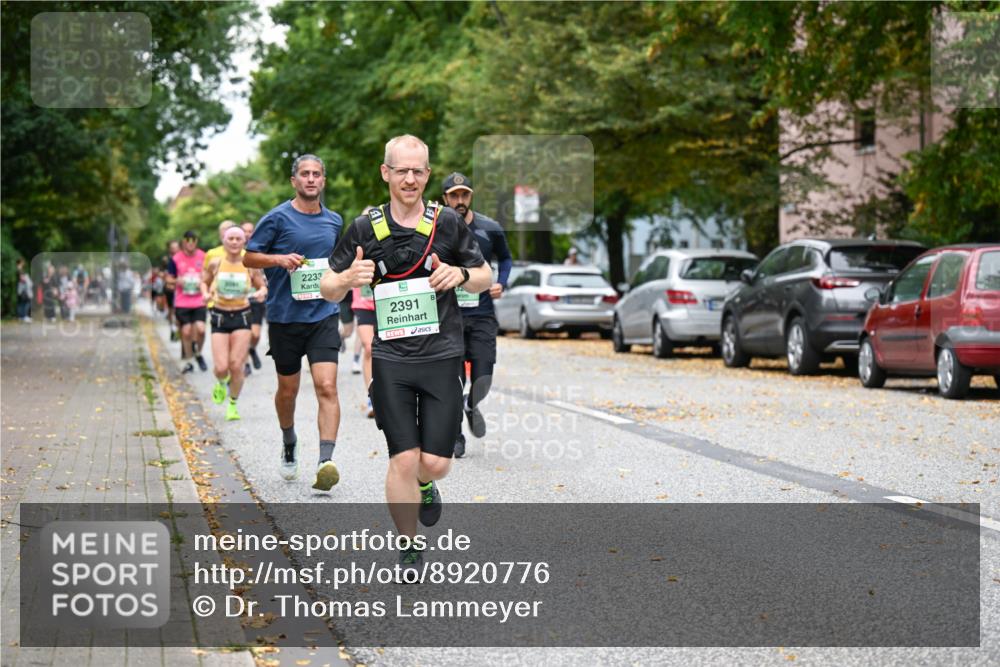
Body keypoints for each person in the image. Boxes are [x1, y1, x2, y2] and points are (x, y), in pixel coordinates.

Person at [321, 135, 491, 575]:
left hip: (442, 354)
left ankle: (425, 484)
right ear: (386, 173)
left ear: (428, 175)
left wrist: (461, 272)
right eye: (402, 171)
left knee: (434, 463)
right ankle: (409, 546)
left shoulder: (448, 224)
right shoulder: (364, 229)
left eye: (418, 171)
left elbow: (484, 274)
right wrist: (347, 280)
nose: (410, 179)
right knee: (402, 456)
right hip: (392, 360)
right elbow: (326, 284)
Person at [244, 154, 345, 491]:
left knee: (327, 386)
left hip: (323, 316)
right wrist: (277, 259)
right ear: (294, 181)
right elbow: (249, 255)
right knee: (288, 391)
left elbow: (338, 264)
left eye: (317, 174)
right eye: (305, 174)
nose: (311, 179)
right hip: (286, 318)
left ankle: (325, 461)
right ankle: (289, 440)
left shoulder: (334, 221)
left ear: (323, 181)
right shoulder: (276, 218)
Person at [440, 172, 513, 458]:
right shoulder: (437, 229)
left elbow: (505, 258)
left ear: (470, 196)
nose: (460, 200)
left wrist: (502, 282)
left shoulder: (489, 228)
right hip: (449, 314)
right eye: (454, 195)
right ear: (445, 198)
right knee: (452, 378)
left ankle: (472, 405)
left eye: (464, 195)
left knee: (483, 376)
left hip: (482, 313)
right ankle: (456, 434)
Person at [201, 225, 267, 421]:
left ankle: (232, 404)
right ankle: (222, 383)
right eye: (231, 238)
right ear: (224, 240)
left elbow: (261, 285)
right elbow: (203, 281)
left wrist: (262, 292)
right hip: (219, 315)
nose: (234, 242)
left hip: (242, 315)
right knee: (221, 367)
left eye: (238, 239)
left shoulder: (250, 262)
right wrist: (205, 293)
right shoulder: (215, 262)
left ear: (244, 241)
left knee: (236, 365)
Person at [170, 231, 208, 373]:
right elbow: (169, 278)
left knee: (201, 329)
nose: (191, 242)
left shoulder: (203, 256)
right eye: (188, 239)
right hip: (182, 302)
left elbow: (209, 275)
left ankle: (198, 352)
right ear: (183, 241)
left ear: (196, 241)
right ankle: (189, 361)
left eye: (193, 239)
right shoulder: (176, 258)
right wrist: (177, 280)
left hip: (199, 300)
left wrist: (204, 281)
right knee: (185, 332)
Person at [241, 221, 266, 373]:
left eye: (251, 231)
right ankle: (246, 363)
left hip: (256, 297)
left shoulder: (260, 248)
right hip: (240, 300)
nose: (248, 234)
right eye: (245, 231)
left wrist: (263, 289)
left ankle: (251, 349)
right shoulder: (235, 252)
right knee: (244, 333)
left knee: (255, 334)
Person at [164, 240, 181, 340]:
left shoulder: (183, 258)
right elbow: (164, 274)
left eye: (176, 247)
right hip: (171, 289)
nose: (174, 249)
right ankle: (172, 328)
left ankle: (178, 330)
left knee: (179, 312)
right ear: (170, 249)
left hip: (182, 289)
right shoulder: (168, 260)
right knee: (171, 310)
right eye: (172, 247)